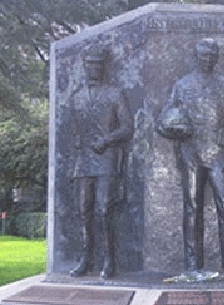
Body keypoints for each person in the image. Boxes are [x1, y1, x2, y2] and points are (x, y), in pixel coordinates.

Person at [158, 38, 224, 279]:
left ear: (216, 58)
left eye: (211, 55)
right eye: (203, 55)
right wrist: (171, 127)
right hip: (190, 153)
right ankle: (192, 263)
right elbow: (164, 119)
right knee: (192, 208)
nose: (207, 59)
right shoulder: (182, 85)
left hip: (221, 154)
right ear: (196, 57)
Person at [69, 46, 133, 279]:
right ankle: (86, 258)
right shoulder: (76, 97)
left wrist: (107, 140)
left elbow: (128, 127)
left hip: (106, 159)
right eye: (90, 63)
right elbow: (75, 134)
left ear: (103, 66)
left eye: (98, 63)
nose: (94, 67)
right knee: (83, 210)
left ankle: (109, 259)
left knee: (104, 209)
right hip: (83, 161)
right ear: (85, 66)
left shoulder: (115, 94)